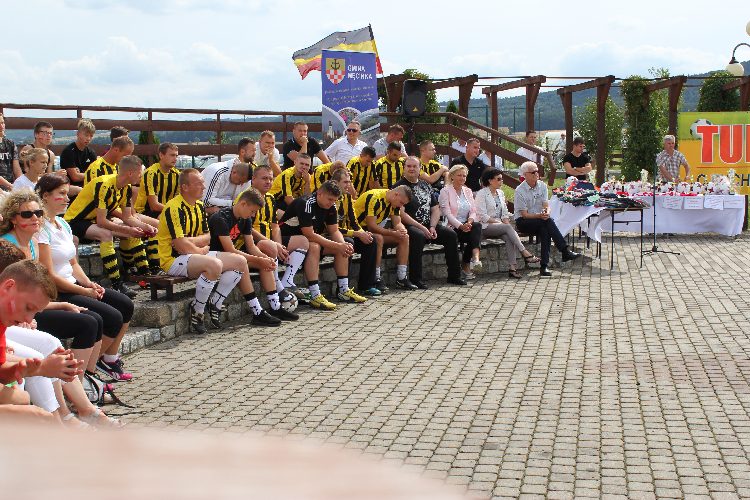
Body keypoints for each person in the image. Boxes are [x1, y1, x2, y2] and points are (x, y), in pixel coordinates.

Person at [0, 190, 109, 384]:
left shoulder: (34, 242)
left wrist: (74, 296)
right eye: (27, 214)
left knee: (99, 318)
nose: (35, 218)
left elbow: (42, 283)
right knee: (86, 324)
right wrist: (67, 301)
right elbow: (17, 295)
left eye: (38, 213)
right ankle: (77, 385)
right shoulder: (8, 248)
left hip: (33, 308)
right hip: (22, 312)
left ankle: (88, 378)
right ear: (13, 219)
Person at [36, 173, 136, 382]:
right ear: (45, 196)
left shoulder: (63, 224)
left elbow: (73, 263)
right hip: (58, 291)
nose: (67, 198)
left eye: (67, 193)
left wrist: (89, 283)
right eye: (61, 194)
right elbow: (49, 275)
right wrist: (84, 291)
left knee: (125, 304)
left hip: (74, 285)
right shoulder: (41, 228)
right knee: (110, 318)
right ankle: (89, 374)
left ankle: (106, 360)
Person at [157, 169, 280, 333]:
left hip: (195, 255)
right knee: (214, 264)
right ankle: (198, 311)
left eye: (203, 183)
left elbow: (207, 237)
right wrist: (199, 249)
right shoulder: (174, 207)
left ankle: (214, 303)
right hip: (173, 260)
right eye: (199, 183)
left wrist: (192, 243)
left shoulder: (199, 206)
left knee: (240, 261)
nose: (203, 186)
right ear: (185, 187)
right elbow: (180, 246)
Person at [65, 155, 156, 298]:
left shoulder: (126, 187)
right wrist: (127, 229)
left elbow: (127, 217)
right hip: (75, 221)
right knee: (106, 234)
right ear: (130, 173)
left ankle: (145, 275)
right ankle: (117, 284)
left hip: (92, 221)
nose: (141, 177)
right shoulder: (104, 184)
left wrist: (145, 227)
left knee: (135, 232)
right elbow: (102, 221)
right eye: (140, 173)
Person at [208, 189, 298, 322]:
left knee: (264, 262)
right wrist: (259, 259)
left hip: (233, 258)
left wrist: (265, 258)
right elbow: (229, 249)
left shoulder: (245, 219)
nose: (253, 215)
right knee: (243, 262)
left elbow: (251, 247)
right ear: (243, 204)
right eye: (252, 211)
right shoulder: (220, 218)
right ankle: (257, 311)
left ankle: (275, 306)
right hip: (216, 258)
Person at [279, 181, 367, 309]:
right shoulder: (306, 203)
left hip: (306, 241)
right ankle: (315, 295)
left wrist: (342, 246)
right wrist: (338, 246)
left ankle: (343, 290)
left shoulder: (331, 206)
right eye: (330, 199)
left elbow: (334, 231)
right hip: (286, 241)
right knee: (315, 246)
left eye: (334, 200)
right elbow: (309, 234)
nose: (332, 203)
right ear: (319, 194)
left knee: (344, 245)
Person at [394, 157, 464, 287]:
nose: (411, 169)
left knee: (450, 235)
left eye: (415, 166)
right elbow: (401, 213)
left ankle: (454, 276)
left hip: (428, 225)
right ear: (404, 168)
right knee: (418, 236)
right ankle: (416, 279)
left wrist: (432, 226)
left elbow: (435, 208)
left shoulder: (425, 185)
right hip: (409, 225)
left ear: (420, 168)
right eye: (408, 166)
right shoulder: (399, 187)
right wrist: (422, 228)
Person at [247, 165, 309, 299]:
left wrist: (279, 245)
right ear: (253, 179)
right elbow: (247, 228)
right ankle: (278, 289)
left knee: (303, 241)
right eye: (264, 178)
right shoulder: (246, 197)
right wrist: (273, 244)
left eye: (270, 179)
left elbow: (275, 226)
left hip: (270, 243)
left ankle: (288, 280)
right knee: (269, 246)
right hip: (252, 244)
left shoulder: (270, 198)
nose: (268, 182)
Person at [514, 162, 580, 278]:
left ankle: (544, 266)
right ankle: (564, 251)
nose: (536, 174)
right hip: (524, 222)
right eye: (533, 172)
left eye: (537, 171)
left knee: (545, 228)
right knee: (547, 222)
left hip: (540, 220)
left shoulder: (542, 186)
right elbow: (524, 215)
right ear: (525, 175)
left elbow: (546, 205)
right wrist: (541, 216)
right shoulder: (520, 190)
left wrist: (547, 212)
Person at [474, 169, 540, 279]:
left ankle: (512, 269)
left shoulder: (500, 193)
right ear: (490, 181)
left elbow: (504, 214)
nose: (502, 181)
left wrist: (506, 224)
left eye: (502, 179)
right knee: (508, 228)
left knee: (509, 236)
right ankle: (525, 253)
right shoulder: (482, 194)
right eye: (498, 179)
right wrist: (502, 224)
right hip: (485, 226)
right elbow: (482, 216)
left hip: (499, 226)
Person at [354, 185, 416, 290]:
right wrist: (392, 233)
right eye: (401, 203)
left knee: (404, 237)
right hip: (357, 231)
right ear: (396, 194)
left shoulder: (395, 202)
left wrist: (402, 230)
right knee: (378, 238)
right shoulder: (374, 198)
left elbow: (397, 223)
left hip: (370, 231)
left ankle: (401, 278)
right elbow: (372, 226)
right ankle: (376, 277)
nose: (401, 206)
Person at [330, 168, 380, 296]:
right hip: (329, 236)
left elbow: (354, 222)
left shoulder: (347, 197)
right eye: (345, 182)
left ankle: (366, 286)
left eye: (349, 182)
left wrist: (363, 233)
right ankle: (342, 289)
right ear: (335, 182)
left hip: (346, 233)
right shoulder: (329, 197)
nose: (349, 185)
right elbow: (332, 228)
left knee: (371, 241)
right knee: (349, 242)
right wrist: (357, 234)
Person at [134, 142, 181, 272]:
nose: (175, 158)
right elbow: (153, 205)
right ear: (161, 155)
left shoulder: (176, 174)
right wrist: (173, 211)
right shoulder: (151, 173)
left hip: (165, 211)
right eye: (172, 155)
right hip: (145, 211)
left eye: (176, 155)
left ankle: (176, 260)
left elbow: (177, 201)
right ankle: (156, 265)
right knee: (163, 221)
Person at [439, 165, 484, 280]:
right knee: (474, 235)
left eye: (464, 176)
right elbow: (447, 213)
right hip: (451, 227)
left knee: (477, 227)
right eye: (459, 175)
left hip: (466, 225)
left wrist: (469, 221)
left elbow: (473, 210)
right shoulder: (445, 191)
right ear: (452, 176)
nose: (462, 178)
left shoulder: (467, 191)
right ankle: (466, 264)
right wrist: (460, 226)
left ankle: (475, 259)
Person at [201, 140, 254, 215]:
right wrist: (231, 203)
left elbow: (241, 203)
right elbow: (206, 201)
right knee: (216, 211)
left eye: (243, 183)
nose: (241, 185)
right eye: (239, 181)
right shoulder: (217, 172)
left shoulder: (246, 179)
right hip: (202, 209)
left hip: (225, 210)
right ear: (234, 172)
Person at [59, 118, 98, 194]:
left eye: (91, 136)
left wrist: (84, 174)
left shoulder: (91, 153)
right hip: (69, 188)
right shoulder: (69, 151)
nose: (88, 138)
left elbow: (96, 173)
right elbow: (75, 177)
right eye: (86, 135)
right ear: (78, 134)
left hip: (87, 186)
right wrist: (90, 175)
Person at [0, 113, 22, 190]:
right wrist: (13, 187)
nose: (1, 127)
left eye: (2, 123)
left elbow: (17, 169)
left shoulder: (10, 144)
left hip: (10, 186)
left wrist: (22, 185)